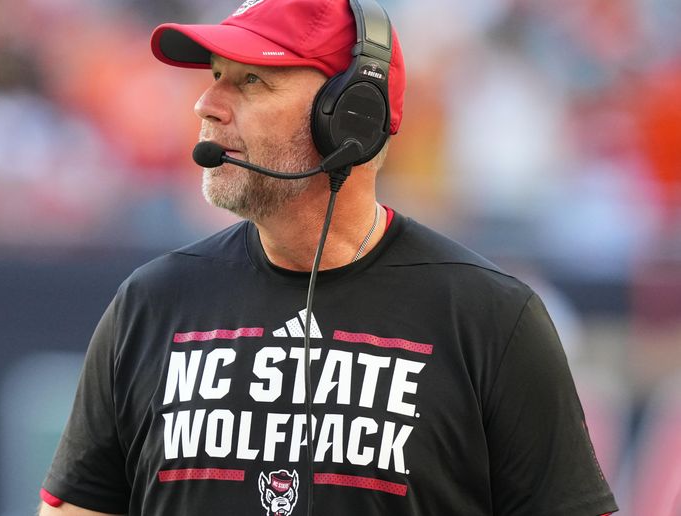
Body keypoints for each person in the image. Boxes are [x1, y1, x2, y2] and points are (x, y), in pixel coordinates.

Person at [38, 0, 619, 514]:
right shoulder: (149, 304)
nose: (205, 104)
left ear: (350, 116)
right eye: (217, 77)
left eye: (251, 82)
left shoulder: (490, 318)